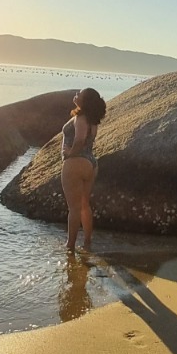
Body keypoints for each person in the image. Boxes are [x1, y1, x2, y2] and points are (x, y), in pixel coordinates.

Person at [60, 87, 106, 254]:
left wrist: (69, 154)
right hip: (91, 163)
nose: (76, 95)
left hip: (76, 163)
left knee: (74, 208)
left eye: (79, 94)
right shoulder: (93, 120)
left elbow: (79, 139)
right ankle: (87, 242)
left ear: (84, 101)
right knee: (85, 205)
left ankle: (70, 246)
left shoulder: (80, 117)